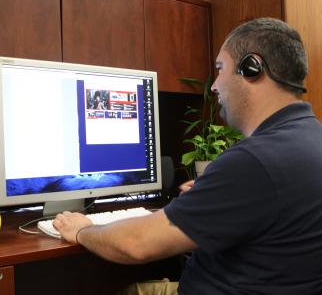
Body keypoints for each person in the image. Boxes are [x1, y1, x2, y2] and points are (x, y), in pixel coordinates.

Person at [53, 17, 322, 294]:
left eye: (220, 70)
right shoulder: (311, 140)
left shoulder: (255, 161)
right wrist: (215, 195)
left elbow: (136, 244)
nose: (215, 85)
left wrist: (82, 230)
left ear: (250, 68)